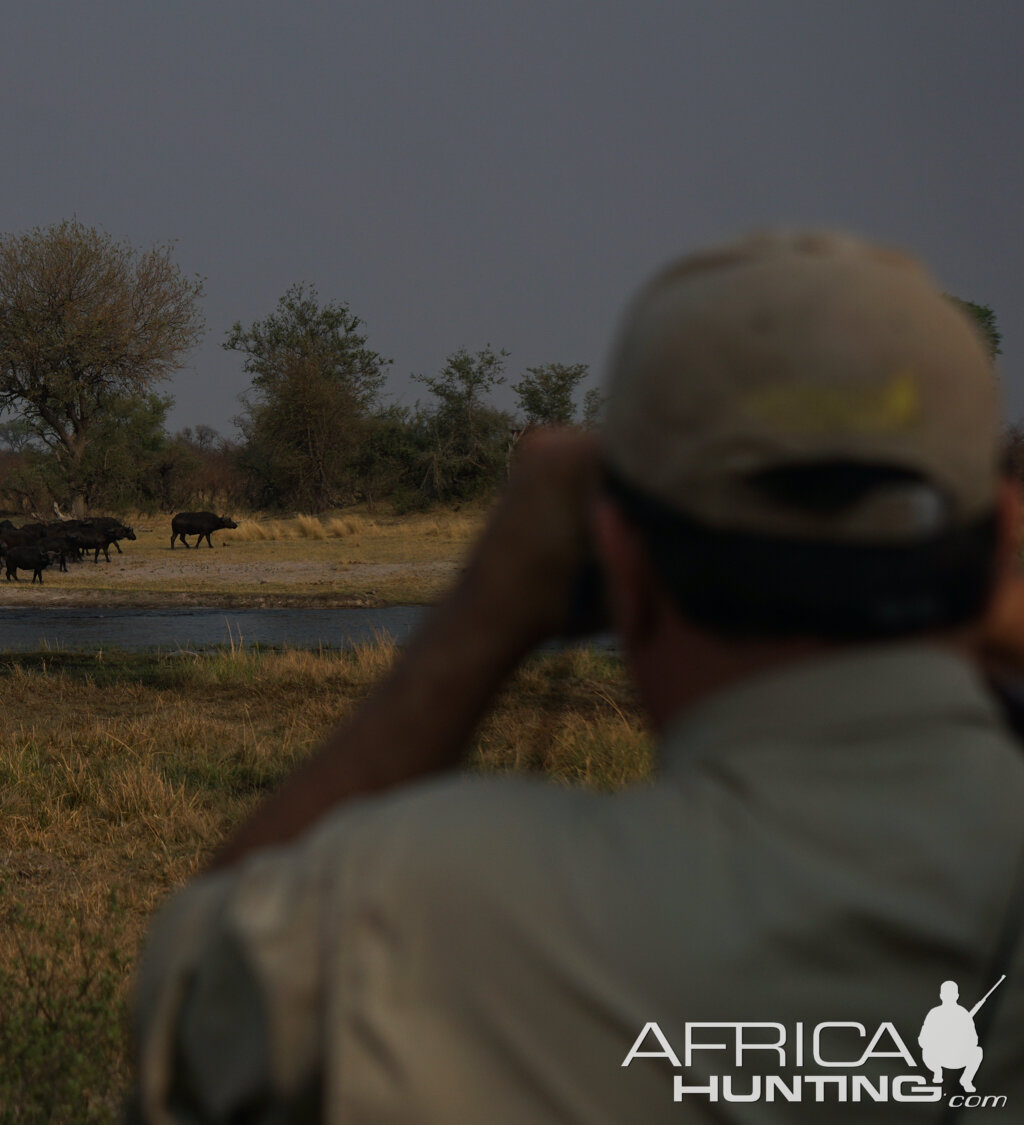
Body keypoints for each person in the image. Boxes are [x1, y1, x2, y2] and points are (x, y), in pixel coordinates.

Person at [129, 230, 1024, 1122]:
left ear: (620, 568)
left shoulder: (417, 909)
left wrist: (484, 614)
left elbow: (194, 1014)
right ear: (1001, 551)